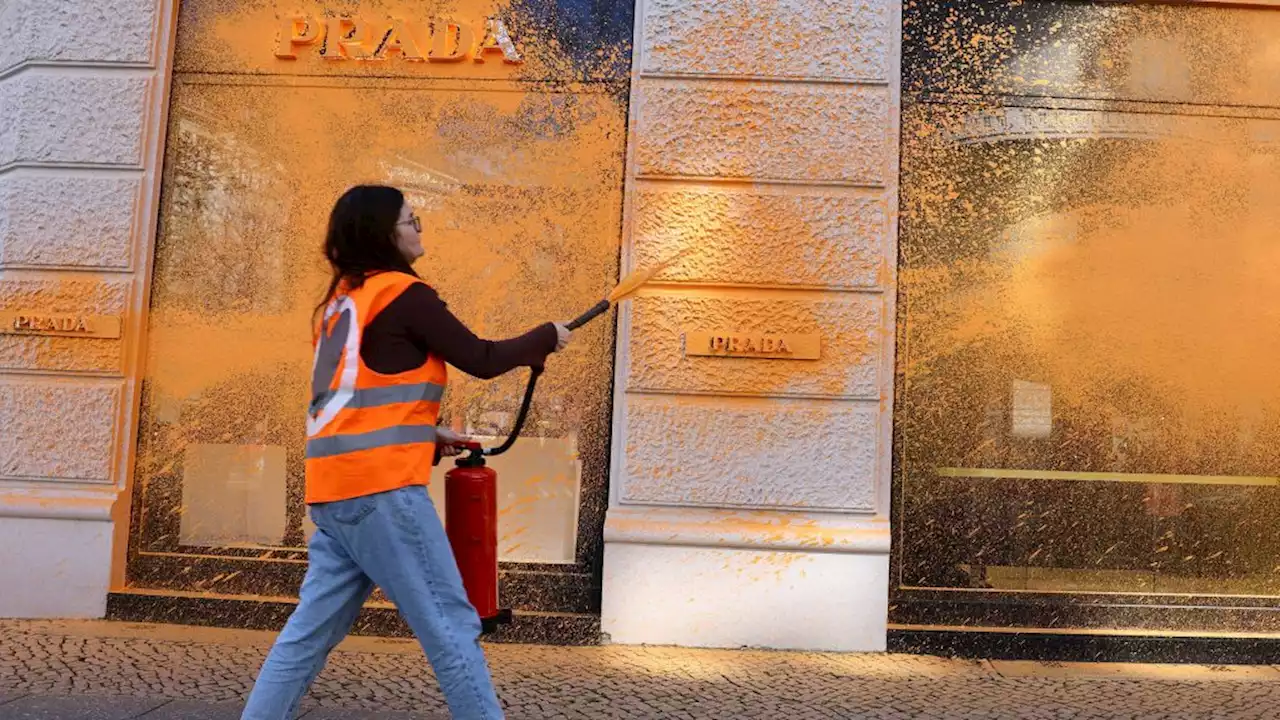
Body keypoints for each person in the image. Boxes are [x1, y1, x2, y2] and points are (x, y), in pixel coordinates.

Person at [241, 184, 571, 720]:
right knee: (451, 627)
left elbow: (354, 403)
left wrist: (428, 434)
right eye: (411, 220)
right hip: (385, 495)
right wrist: (543, 337)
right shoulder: (405, 294)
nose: (421, 228)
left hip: (333, 495)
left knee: (306, 639)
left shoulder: (338, 305)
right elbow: (482, 358)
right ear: (384, 233)